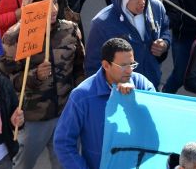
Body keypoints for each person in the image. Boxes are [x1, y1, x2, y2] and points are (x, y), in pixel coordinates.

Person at [0, 0, 85, 169]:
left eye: (55, 2)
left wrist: (79, 102)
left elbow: (79, 68)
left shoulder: (70, 30)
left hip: (65, 115)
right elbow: (5, 82)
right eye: (45, 4)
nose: (53, 9)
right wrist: (34, 76)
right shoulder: (14, 37)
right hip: (31, 120)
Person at [54, 38, 155, 169]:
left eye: (132, 64)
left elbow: (155, 127)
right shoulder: (82, 96)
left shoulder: (143, 86)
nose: (130, 70)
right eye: (124, 66)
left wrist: (134, 102)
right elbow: (63, 143)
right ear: (106, 65)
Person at [85, 0, 171, 89]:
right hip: (119, 93)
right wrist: (110, 90)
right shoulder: (102, 24)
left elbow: (165, 30)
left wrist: (165, 43)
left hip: (152, 85)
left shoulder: (156, 7)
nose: (142, 2)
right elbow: (93, 67)